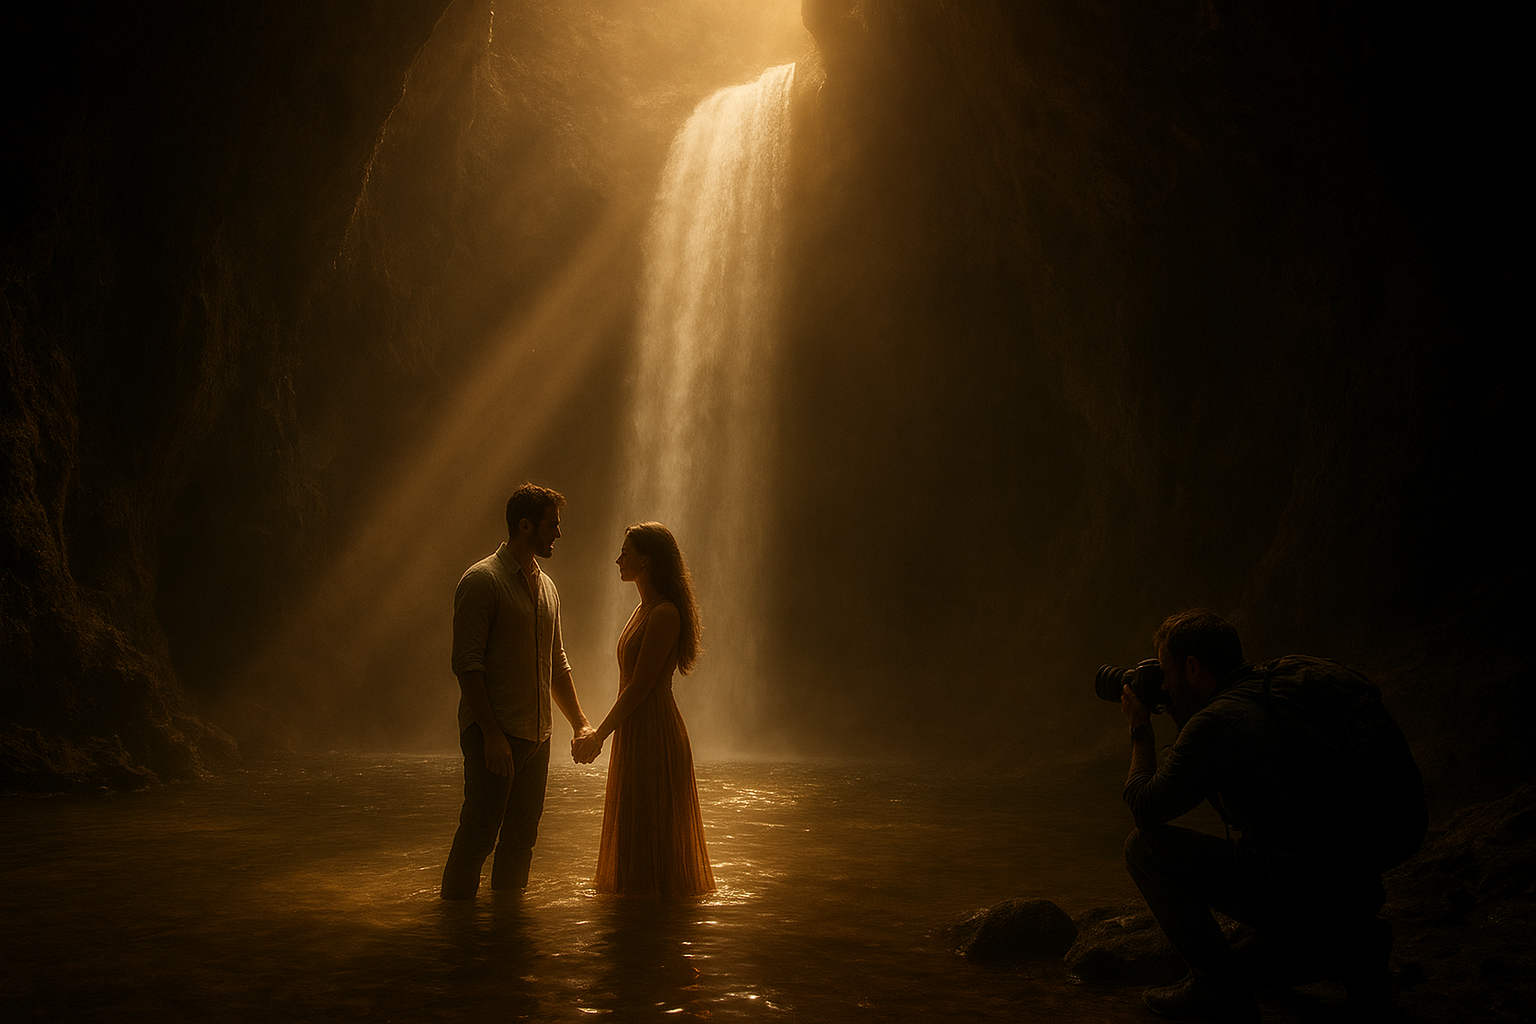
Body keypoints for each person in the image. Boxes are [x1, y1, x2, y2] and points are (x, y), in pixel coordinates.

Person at [1119, 609, 1403, 1022]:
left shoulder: (1216, 722)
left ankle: (1215, 989)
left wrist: (1140, 729)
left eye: (1166, 672)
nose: (1163, 685)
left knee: (1142, 849)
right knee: (1248, 955)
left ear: (1192, 667)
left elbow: (1144, 806)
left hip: (1296, 890)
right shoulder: (1281, 690)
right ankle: (1359, 944)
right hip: (1358, 887)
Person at [440, 483, 595, 899]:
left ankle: (506, 927)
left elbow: (556, 663)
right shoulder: (482, 581)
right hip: (496, 733)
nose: (558, 533)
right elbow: (467, 664)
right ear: (525, 526)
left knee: (521, 841)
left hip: (538, 736)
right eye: (552, 525)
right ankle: (453, 930)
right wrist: (491, 734)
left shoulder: (548, 588)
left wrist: (580, 724)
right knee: (478, 836)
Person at [572, 522, 714, 896]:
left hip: (655, 731)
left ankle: (657, 916)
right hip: (635, 728)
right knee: (635, 823)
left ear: (646, 560)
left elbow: (640, 687)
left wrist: (598, 735)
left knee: (652, 826)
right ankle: (634, 917)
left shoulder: (665, 613)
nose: (618, 560)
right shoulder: (642, 609)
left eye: (625, 553)